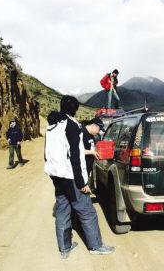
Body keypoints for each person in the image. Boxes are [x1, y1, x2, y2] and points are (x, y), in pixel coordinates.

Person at [44, 95, 115, 259]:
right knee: (87, 211)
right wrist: (82, 182)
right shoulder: (73, 125)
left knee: (62, 210)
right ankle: (96, 246)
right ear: (75, 109)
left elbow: (46, 152)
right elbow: (75, 157)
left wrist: (52, 171)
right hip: (70, 176)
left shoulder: (52, 125)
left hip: (56, 174)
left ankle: (64, 247)